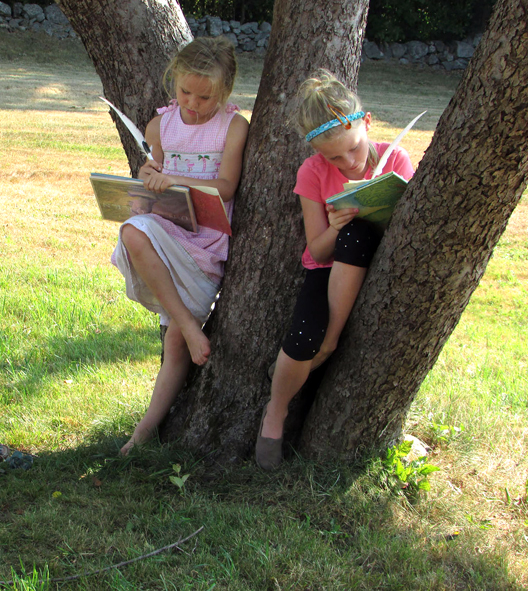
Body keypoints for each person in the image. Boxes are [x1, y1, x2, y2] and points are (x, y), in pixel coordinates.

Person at [255, 70, 415, 470]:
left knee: (360, 235)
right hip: (328, 266)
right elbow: (316, 248)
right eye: (333, 157)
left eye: (354, 149)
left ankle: (330, 342)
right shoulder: (312, 172)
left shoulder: (395, 159)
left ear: (367, 122)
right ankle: (276, 410)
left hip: (373, 267)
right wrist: (336, 222)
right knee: (305, 336)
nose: (348, 162)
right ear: (317, 154)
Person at [111, 37, 249, 455]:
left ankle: (143, 433)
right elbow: (150, 185)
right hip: (166, 229)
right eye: (185, 91)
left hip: (205, 239)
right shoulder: (162, 125)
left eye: (205, 96)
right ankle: (188, 324)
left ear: (224, 92)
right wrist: (148, 173)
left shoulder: (233, 125)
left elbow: (226, 185)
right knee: (132, 230)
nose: (193, 103)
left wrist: (177, 180)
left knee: (173, 346)